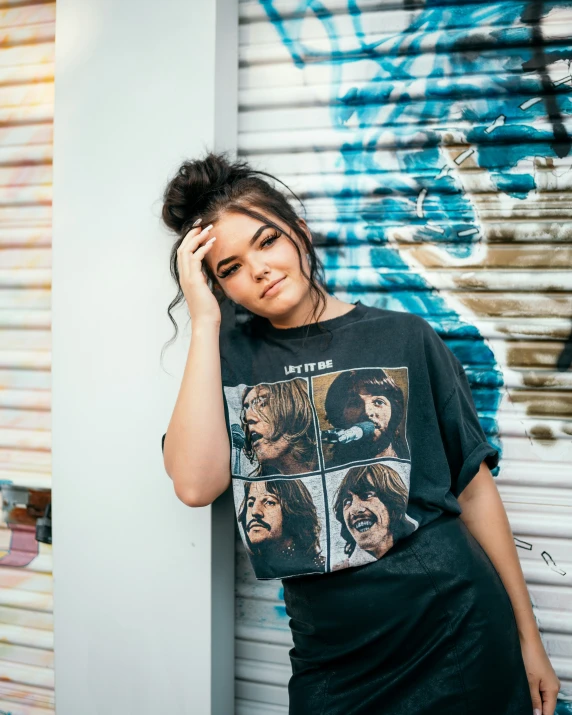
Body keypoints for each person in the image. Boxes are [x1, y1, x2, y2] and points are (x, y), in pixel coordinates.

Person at [159, 150, 560, 714]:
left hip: (460, 631)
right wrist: (203, 321)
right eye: (229, 268)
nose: (259, 270)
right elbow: (196, 485)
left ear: (299, 234)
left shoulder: (404, 337)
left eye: (267, 241)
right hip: (334, 661)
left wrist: (529, 638)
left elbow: (472, 490)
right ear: (217, 285)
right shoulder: (224, 359)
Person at [236, 479, 325, 578]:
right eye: (251, 503)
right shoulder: (252, 568)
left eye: (269, 502)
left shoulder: (321, 567)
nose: (255, 511)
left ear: (294, 513)